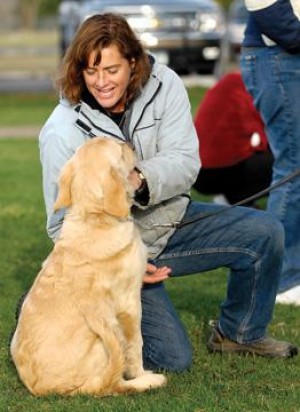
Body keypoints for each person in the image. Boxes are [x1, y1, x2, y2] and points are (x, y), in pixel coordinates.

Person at [39, 13, 298, 372]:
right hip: (110, 255)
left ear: (133, 61)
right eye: (90, 71)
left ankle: (239, 334)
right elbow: (60, 227)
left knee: (267, 231)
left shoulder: (165, 84)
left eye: (111, 70)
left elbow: (186, 162)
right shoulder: (61, 130)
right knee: (172, 360)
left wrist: (140, 179)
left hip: (170, 220)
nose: (101, 82)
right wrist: (121, 263)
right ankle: (46, 309)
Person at [240, 0, 300, 305]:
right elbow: (265, 8)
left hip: (284, 54)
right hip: (278, 55)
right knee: (294, 169)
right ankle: (284, 280)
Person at [193, 71, 273, 207]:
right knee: (287, 165)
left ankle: (239, 204)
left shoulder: (233, 82)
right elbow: (259, 137)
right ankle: (234, 202)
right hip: (213, 171)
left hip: (197, 169)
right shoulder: (249, 88)